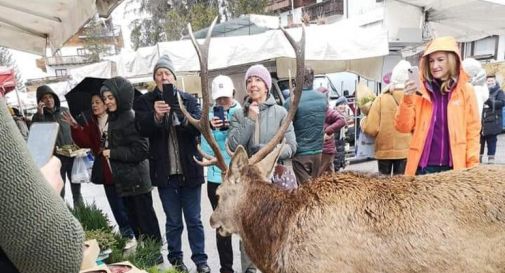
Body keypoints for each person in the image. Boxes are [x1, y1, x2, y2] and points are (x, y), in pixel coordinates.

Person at [133, 55, 210, 273]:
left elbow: (199, 128)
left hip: (190, 171)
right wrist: (156, 117)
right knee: (173, 221)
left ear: (174, 77)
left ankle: (201, 261)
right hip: (165, 174)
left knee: (194, 220)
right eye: (159, 74)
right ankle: (176, 260)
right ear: (154, 79)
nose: (163, 77)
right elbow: (141, 129)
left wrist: (180, 113)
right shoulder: (145, 102)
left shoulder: (188, 99)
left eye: (167, 73)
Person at [0, 95, 84, 273]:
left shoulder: (63, 112)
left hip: (69, 156)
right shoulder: (40, 116)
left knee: (76, 191)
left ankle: (79, 206)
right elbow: (59, 256)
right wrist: (41, 191)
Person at [227, 64, 296, 273]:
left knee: (276, 228)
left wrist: (267, 152)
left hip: (275, 181)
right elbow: (232, 146)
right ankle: (250, 269)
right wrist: (250, 119)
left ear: (266, 85)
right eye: (249, 81)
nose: (252, 84)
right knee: (248, 230)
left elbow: (292, 146)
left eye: (257, 80)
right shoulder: (239, 114)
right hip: (248, 185)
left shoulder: (281, 112)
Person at [394, 36, 481, 176]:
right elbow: (402, 127)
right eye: (431, 61)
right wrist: (408, 98)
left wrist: (473, 168)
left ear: (452, 60)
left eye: (440, 60)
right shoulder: (419, 90)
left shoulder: (466, 90)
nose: (435, 66)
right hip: (423, 168)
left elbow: (473, 132)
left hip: (455, 169)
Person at [100, 77, 163, 262]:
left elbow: (141, 150)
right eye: (105, 98)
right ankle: (147, 252)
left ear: (121, 96)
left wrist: (113, 152)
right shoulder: (115, 118)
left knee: (146, 220)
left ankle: (155, 254)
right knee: (135, 221)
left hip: (137, 180)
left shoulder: (130, 117)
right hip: (125, 180)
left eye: (111, 97)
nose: (107, 101)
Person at [61, 94, 136, 248]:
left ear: (106, 104)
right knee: (116, 205)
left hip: (122, 168)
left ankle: (138, 233)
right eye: (92, 103)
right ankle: (127, 234)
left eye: (98, 102)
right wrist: (75, 126)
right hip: (106, 171)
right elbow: (85, 142)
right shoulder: (93, 124)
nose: (94, 105)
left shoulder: (117, 119)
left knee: (129, 204)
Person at [201, 75, 241, 273]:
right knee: (222, 226)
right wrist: (209, 130)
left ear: (233, 94)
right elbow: (203, 149)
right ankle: (227, 268)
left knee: (245, 224)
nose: (222, 103)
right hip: (217, 179)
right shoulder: (208, 117)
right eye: (219, 100)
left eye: (225, 98)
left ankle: (250, 266)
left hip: (239, 180)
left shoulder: (242, 112)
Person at [32, 85, 83, 205]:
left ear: (54, 98)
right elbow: (37, 137)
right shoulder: (37, 117)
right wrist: (40, 115)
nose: (48, 100)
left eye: (50, 97)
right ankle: (63, 217)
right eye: (44, 98)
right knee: (60, 191)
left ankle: (82, 215)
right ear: (40, 101)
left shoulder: (65, 111)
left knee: (77, 190)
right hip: (55, 160)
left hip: (72, 156)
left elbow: (76, 129)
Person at [361, 60, 412, 175]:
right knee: (401, 186)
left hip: (384, 151)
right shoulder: (414, 98)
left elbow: (371, 128)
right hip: (406, 150)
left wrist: (363, 122)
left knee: (384, 186)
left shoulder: (381, 99)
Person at [283, 67, 327, 184]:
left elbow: (285, 127)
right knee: (315, 185)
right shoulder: (323, 98)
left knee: (305, 190)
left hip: (300, 152)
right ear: (312, 80)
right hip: (318, 150)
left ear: (297, 81)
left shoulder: (291, 102)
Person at [317, 88, 346, 175]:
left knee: (320, 176)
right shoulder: (318, 110)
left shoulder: (327, 110)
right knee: (330, 175)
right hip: (325, 149)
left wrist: (327, 131)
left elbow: (341, 120)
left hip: (326, 149)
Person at [480, 75, 505, 164]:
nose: (490, 82)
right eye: (488, 81)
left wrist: (489, 101)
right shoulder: (481, 91)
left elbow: (502, 103)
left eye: (492, 81)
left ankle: (491, 158)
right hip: (481, 119)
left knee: (491, 139)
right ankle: (479, 157)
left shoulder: (499, 91)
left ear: (495, 81)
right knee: (480, 140)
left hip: (493, 120)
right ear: (486, 82)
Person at [333, 96, 353, 171]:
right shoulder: (334, 115)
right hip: (335, 144)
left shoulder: (344, 116)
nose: (343, 106)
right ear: (336, 106)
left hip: (340, 143)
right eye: (341, 104)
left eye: (345, 104)